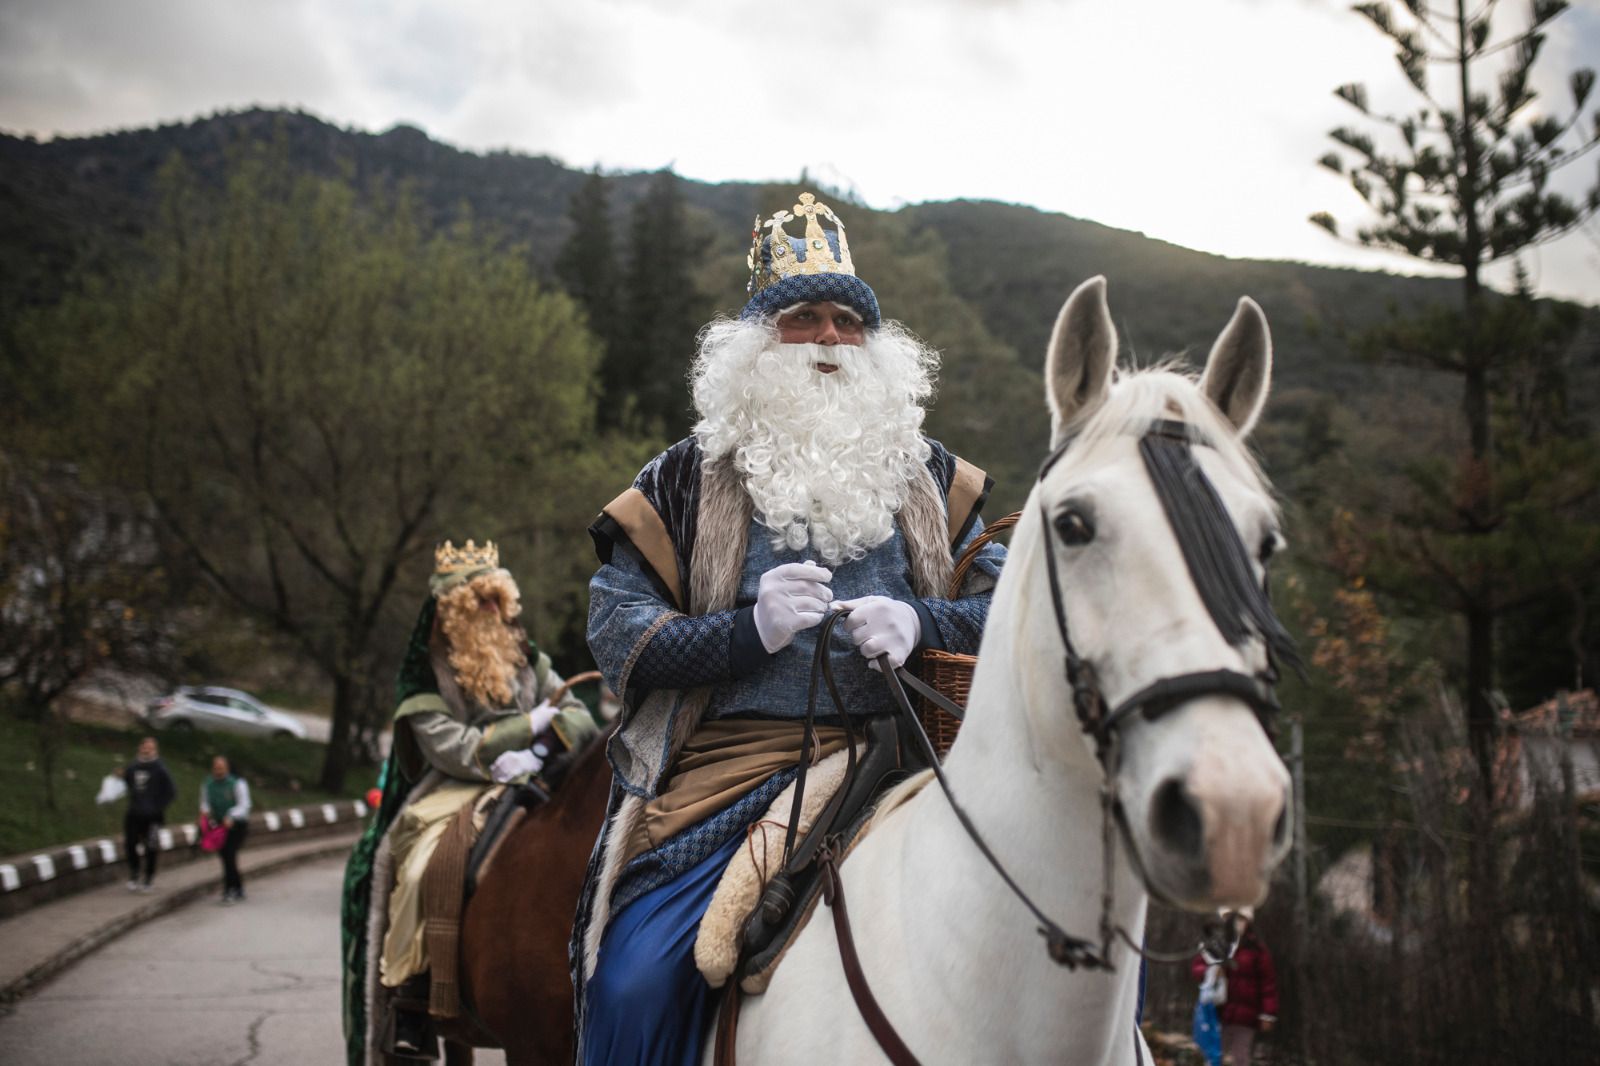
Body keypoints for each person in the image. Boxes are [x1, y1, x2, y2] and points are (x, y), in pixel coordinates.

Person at [574, 191, 1005, 1065]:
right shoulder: (683, 481)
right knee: (632, 983)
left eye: (848, 320)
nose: (829, 340)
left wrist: (921, 621)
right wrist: (745, 633)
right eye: (802, 318)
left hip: (915, 752)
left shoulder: (938, 481)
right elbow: (615, 632)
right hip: (732, 771)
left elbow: (1017, 614)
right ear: (757, 342)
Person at [343, 540, 598, 1061]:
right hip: (455, 783)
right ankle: (411, 995)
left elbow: (576, 710)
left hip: (536, 773)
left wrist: (547, 738)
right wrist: (522, 729)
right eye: (478, 600)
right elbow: (444, 743)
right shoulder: (427, 669)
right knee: (417, 863)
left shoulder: (522, 653)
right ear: (451, 607)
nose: (490, 610)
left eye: (495, 599)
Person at [1214, 908, 1279, 1065]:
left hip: (1246, 1015)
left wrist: (1267, 1013)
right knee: (1214, 1054)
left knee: (1240, 1056)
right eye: (1230, 919)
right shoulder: (1217, 945)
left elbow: (1267, 983)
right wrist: (1210, 972)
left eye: (1240, 919)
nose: (1235, 924)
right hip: (1219, 1012)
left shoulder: (1256, 950)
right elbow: (1200, 967)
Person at [121, 736, 176, 892]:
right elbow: (125, 784)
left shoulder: (160, 769)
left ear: (155, 750)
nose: (146, 750)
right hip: (134, 814)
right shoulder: (132, 768)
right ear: (140, 748)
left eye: (150, 748)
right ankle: (134, 872)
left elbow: (171, 792)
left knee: (151, 847)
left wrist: (158, 807)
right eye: (144, 747)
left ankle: (148, 878)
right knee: (130, 844)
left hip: (153, 817)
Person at [199, 754, 251, 903]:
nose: (218, 771)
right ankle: (238, 886)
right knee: (226, 857)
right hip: (218, 825)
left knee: (229, 854)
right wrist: (205, 812)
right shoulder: (208, 784)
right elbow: (204, 802)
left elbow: (245, 805)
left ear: (227, 768)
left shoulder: (237, 783)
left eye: (221, 767)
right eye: (216, 768)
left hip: (236, 825)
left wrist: (231, 815)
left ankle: (230, 889)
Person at [1190, 918, 1230, 1066]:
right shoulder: (1204, 951)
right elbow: (1196, 969)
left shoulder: (1230, 949)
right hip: (1209, 1000)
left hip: (1229, 1002)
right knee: (1208, 1038)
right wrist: (1210, 972)